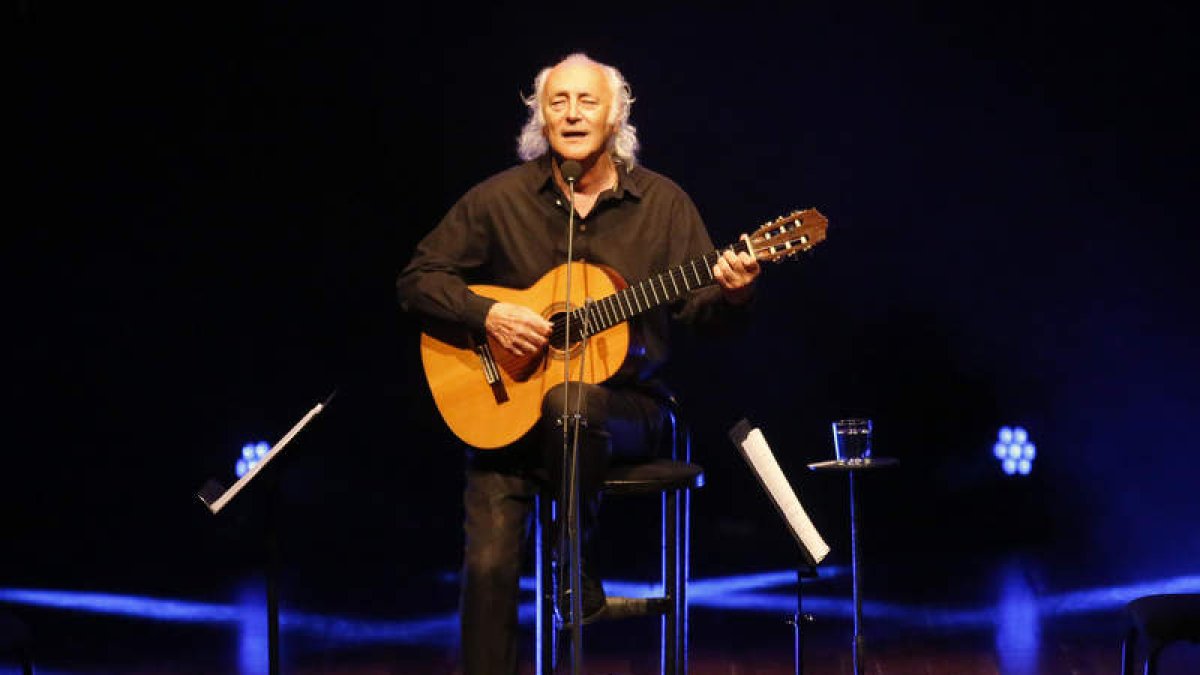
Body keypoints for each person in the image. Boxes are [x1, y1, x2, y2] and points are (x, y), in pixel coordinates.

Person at [396, 52, 761, 675]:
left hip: (626, 412)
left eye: (587, 101)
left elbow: (709, 318)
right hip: (510, 418)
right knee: (487, 567)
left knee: (573, 400)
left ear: (616, 115)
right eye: (558, 101)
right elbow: (417, 279)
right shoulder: (499, 199)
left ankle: (574, 567)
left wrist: (734, 288)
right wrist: (488, 316)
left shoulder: (664, 204)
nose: (572, 113)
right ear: (540, 115)